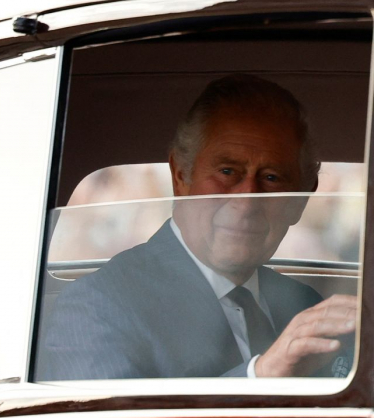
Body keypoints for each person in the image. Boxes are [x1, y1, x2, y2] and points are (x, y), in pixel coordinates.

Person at [38, 74, 357, 380]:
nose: (247, 201)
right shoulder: (97, 308)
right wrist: (261, 375)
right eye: (227, 171)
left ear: (299, 200)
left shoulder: (304, 303)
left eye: (272, 178)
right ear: (181, 176)